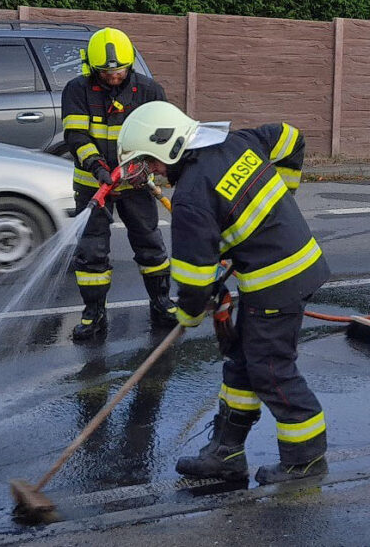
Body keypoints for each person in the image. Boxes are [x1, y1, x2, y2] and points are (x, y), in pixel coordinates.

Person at [116, 101, 329, 485]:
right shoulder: (236, 142)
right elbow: (290, 137)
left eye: (152, 162)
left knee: (271, 371)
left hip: (276, 283)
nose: (155, 173)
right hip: (292, 268)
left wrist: (188, 314)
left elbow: (195, 279)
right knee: (242, 362)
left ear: (168, 147)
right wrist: (286, 190)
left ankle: (306, 461)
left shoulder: (190, 197)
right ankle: (226, 452)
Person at [61, 27, 175, 341]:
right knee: (92, 253)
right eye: (106, 72)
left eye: (120, 70)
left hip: (137, 184)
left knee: (150, 245)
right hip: (93, 185)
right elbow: (76, 136)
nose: (114, 76)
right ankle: (93, 315)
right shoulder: (76, 90)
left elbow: (164, 133)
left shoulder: (150, 90)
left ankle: (161, 303)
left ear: (130, 64)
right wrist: (97, 168)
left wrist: (145, 165)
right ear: (92, 68)